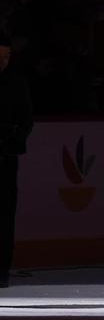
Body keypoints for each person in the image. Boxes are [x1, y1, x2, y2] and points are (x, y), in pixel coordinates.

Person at [0, 30, 33, 288]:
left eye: (7, 56)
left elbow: (26, 121)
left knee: (5, 215)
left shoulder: (16, 83)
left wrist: (13, 134)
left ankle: (2, 270)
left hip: (6, 158)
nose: (4, 60)